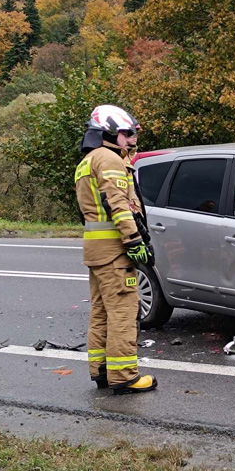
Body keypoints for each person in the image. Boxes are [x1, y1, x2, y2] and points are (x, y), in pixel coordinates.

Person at [75, 104, 157, 395]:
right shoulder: (109, 160)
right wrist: (135, 242)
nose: (132, 139)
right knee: (124, 311)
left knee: (100, 312)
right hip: (115, 252)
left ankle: (100, 371)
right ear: (109, 132)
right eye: (127, 133)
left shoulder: (88, 160)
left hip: (96, 252)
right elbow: (119, 205)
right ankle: (124, 376)